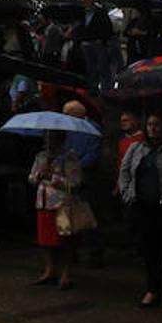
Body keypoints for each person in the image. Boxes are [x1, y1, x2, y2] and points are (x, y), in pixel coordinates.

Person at [118, 113, 162, 310]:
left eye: (157, 125)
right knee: (149, 250)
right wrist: (127, 192)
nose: (153, 128)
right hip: (143, 205)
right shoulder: (137, 148)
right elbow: (125, 171)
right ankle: (152, 289)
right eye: (150, 124)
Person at [29, 129, 81, 290]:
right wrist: (37, 176)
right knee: (46, 239)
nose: (48, 142)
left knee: (64, 240)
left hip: (61, 203)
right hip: (43, 201)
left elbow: (75, 182)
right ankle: (49, 270)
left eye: (52, 138)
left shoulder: (69, 157)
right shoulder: (41, 156)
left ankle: (66, 273)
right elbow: (31, 177)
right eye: (46, 138)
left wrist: (53, 177)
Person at [63, 100, 107, 267]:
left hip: (87, 177)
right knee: (70, 216)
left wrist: (75, 167)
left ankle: (95, 254)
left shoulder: (92, 128)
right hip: (69, 174)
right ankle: (72, 252)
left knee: (90, 216)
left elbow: (93, 155)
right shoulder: (68, 129)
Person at [74, 0, 116, 90]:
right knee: (90, 68)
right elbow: (79, 28)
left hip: (97, 42)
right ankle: (93, 88)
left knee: (102, 67)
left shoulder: (100, 13)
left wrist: (102, 40)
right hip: (86, 43)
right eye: (84, 1)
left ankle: (106, 88)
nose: (85, 3)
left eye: (87, 1)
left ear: (92, 1)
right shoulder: (82, 14)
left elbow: (107, 28)